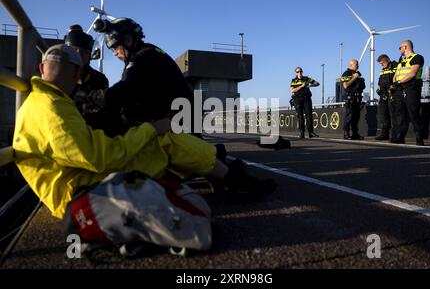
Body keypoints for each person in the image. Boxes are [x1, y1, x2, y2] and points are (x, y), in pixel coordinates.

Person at [12, 44, 276, 221]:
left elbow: (87, 149)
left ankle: (223, 172)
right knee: (162, 138)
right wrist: (149, 129)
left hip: (79, 179)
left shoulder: (45, 101)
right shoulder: (52, 108)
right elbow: (99, 157)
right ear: (77, 73)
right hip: (80, 192)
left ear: (41, 68)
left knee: (159, 139)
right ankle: (228, 175)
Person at [92, 18, 198, 137]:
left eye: (116, 47)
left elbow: (126, 87)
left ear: (128, 40)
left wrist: (100, 97)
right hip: (183, 117)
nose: (115, 53)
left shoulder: (141, 58)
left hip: (175, 123)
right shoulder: (150, 51)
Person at [64, 25, 112, 130]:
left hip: (91, 131)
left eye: (83, 51)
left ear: (90, 55)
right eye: (74, 50)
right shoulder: (60, 75)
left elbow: (102, 110)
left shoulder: (99, 79)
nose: (78, 54)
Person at [390, 40, 425, 146]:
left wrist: (399, 82)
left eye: (400, 47)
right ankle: (400, 137)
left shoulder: (417, 57)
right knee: (400, 114)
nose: (399, 50)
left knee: (413, 113)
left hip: (411, 88)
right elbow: (396, 74)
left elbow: (413, 73)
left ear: (405, 47)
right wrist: (395, 83)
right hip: (399, 89)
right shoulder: (401, 60)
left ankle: (419, 138)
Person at [290, 67, 320, 139]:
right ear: (295, 73)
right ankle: (302, 132)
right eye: (297, 72)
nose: (299, 73)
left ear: (302, 72)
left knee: (309, 116)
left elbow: (317, 83)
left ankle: (311, 132)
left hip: (307, 99)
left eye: (300, 71)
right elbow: (292, 90)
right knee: (300, 116)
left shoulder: (306, 78)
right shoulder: (293, 81)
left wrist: (310, 85)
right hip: (298, 99)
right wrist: (302, 86)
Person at [340, 59, 365, 140]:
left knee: (356, 117)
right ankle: (346, 133)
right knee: (348, 116)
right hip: (350, 98)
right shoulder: (346, 73)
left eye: (358, 64)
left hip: (357, 98)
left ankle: (355, 134)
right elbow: (346, 85)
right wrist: (355, 78)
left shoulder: (357, 74)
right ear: (351, 65)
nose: (358, 66)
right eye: (356, 64)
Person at [375, 54, 398, 140]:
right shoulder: (383, 69)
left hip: (393, 93)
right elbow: (380, 80)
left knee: (393, 115)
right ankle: (384, 134)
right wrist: (379, 88)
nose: (381, 65)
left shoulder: (395, 65)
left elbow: (397, 78)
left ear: (387, 60)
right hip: (383, 94)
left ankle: (394, 135)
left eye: (382, 63)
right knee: (384, 115)